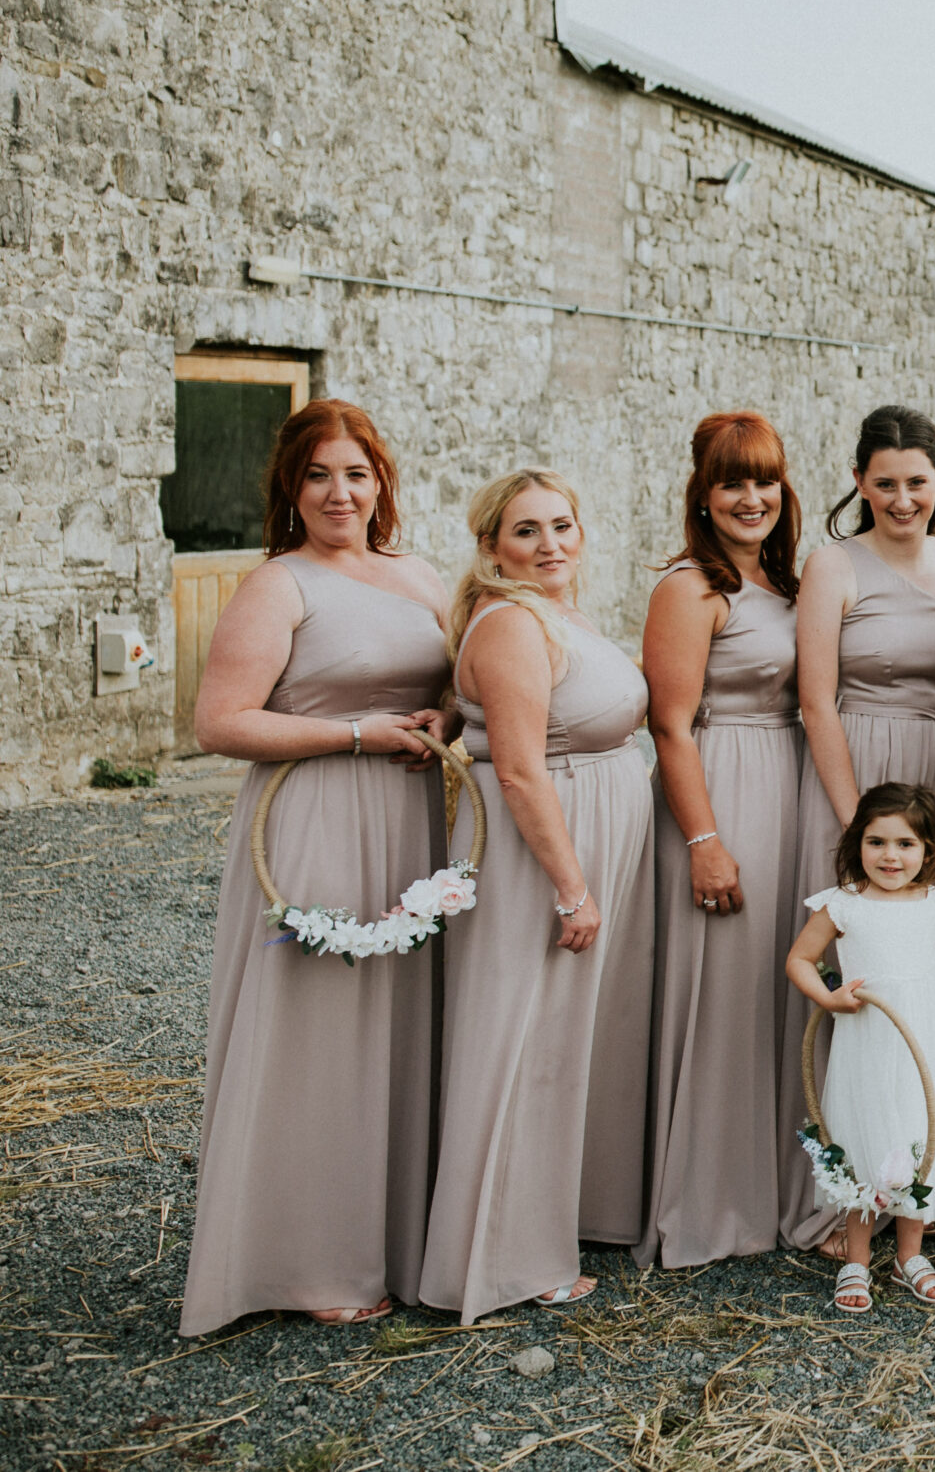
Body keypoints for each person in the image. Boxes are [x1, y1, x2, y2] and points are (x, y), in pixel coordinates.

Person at [182, 401, 452, 1335]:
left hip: (415, 818)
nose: (340, 492)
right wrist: (355, 732)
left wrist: (443, 724)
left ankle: (403, 1237)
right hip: (319, 815)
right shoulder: (277, 585)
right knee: (322, 1032)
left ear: (382, 484)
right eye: (319, 475)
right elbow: (221, 721)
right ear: (290, 489)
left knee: (405, 1029)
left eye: (357, 474)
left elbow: (456, 681)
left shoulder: (418, 575)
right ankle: (304, 1256)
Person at [419, 471, 652, 1322]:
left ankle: (559, 1214)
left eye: (562, 524)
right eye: (527, 531)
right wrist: (570, 886)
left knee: (568, 1038)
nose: (550, 544)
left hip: (594, 826)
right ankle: (502, 1257)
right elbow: (517, 768)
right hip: (544, 854)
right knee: (527, 1039)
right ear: (491, 547)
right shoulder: (513, 622)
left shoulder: (553, 611)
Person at [787, 406, 935, 1252]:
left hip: (929, 781)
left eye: (917, 481)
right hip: (853, 771)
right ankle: (843, 1198)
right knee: (854, 966)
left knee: (915, 982)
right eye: (884, 482)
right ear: (861, 483)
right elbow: (814, 698)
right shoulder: (832, 564)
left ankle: (912, 1176)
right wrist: (859, 826)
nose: (902, 498)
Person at [637, 413, 805, 1269]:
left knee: (776, 990)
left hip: (789, 785)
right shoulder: (690, 587)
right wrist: (704, 838)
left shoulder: (783, 584)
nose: (752, 498)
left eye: (765, 480)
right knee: (723, 992)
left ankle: (773, 1184)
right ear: (703, 497)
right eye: (733, 483)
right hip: (723, 790)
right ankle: (709, 1199)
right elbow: (670, 725)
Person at [786, 782, 935, 1312]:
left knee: (920, 1131)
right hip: (871, 1035)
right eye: (877, 842)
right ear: (857, 845)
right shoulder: (843, 905)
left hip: (927, 1031)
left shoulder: (933, 902)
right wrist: (830, 1000)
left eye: (905, 844)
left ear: (927, 851)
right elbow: (800, 960)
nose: (890, 856)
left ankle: (909, 1255)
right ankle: (856, 1259)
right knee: (866, 1134)